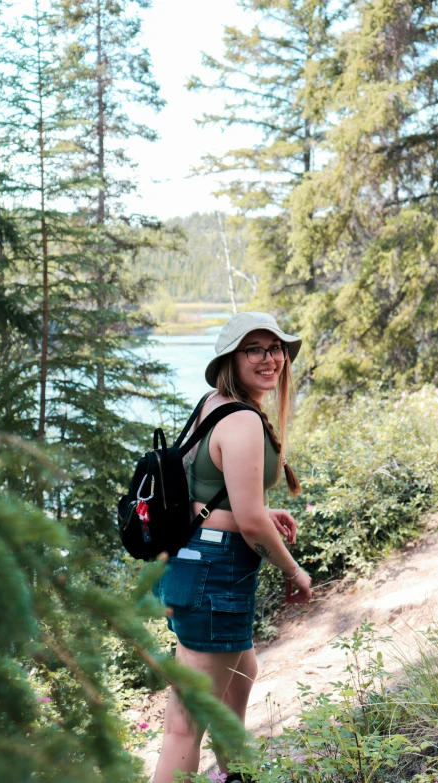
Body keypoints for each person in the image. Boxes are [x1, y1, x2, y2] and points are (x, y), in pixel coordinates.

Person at [153, 312, 312, 783]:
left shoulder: (215, 403)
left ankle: (236, 775)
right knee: (186, 725)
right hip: (215, 572)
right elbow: (246, 520)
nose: (270, 359)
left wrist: (263, 512)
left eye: (275, 348)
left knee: (240, 676)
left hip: (198, 561)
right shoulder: (242, 420)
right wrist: (293, 570)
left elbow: (216, 492)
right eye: (255, 349)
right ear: (232, 359)